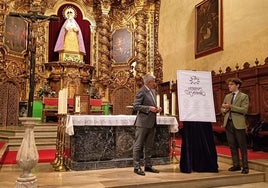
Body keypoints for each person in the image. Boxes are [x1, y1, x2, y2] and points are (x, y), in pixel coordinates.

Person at [132, 73, 162, 176]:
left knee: (149, 146)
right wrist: (149, 109)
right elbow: (136, 106)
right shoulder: (141, 92)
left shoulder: (153, 91)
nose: (155, 83)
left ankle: (148, 165)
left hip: (152, 122)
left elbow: (152, 105)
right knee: (138, 146)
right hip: (142, 123)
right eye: (153, 81)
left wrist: (157, 108)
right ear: (149, 82)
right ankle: (136, 167)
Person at [221, 78, 249, 174]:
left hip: (238, 123)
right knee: (232, 145)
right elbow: (222, 108)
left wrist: (231, 107)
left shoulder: (243, 96)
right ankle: (236, 165)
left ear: (237, 85)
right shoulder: (227, 96)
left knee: (242, 146)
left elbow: (244, 110)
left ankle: (245, 166)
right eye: (229, 84)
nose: (229, 86)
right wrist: (224, 110)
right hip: (228, 123)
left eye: (231, 84)